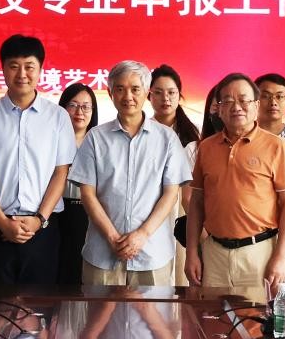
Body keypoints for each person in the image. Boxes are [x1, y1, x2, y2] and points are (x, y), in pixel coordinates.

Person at [0, 34, 76, 285]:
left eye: (29, 66)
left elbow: (61, 173)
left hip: (42, 231)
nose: (22, 74)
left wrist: (39, 220)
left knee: (40, 305)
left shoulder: (58, 117)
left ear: (41, 69)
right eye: (14, 66)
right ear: (2, 69)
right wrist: (3, 223)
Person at [71, 61, 190, 285]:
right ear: (110, 93)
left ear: (146, 92)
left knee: (154, 309)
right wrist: (112, 237)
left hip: (152, 253)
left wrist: (142, 235)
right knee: (99, 309)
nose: (128, 96)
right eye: (120, 89)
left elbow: (170, 194)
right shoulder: (95, 137)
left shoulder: (167, 139)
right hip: (103, 253)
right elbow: (87, 194)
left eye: (135, 89)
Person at [185, 72, 285, 291]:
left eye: (244, 100)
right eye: (227, 101)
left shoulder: (276, 146)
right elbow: (196, 202)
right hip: (214, 253)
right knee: (213, 312)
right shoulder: (206, 148)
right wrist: (191, 253)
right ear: (219, 109)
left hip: (259, 253)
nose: (236, 107)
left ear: (256, 106)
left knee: (256, 313)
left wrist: (281, 256)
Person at [149, 64, 200, 285]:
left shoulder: (194, 134)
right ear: (149, 95)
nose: (165, 98)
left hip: (184, 205)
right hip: (152, 206)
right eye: (158, 92)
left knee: (182, 272)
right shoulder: (144, 130)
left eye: (171, 92)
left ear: (180, 95)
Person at [57, 82, 99, 285]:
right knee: (59, 270)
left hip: (89, 213)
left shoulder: (100, 141)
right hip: (57, 212)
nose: (79, 112)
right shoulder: (51, 140)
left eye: (86, 106)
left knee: (84, 273)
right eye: (73, 105)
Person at [254, 73, 285, 139]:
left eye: (279, 97)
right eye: (265, 96)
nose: (273, 103)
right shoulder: (241, 136)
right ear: (254, 101)